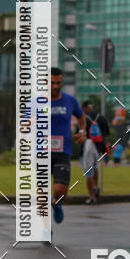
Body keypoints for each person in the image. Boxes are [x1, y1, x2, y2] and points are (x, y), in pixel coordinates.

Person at [49, 68, 86, 224]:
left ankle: (56, 203)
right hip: (40, 153)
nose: (56, 86)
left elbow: (81, 117)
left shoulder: (70, 100)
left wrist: (82, 132)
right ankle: (46, 230)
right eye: (52, 83)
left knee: (61, 191)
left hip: (63, 151)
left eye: (59, 83)